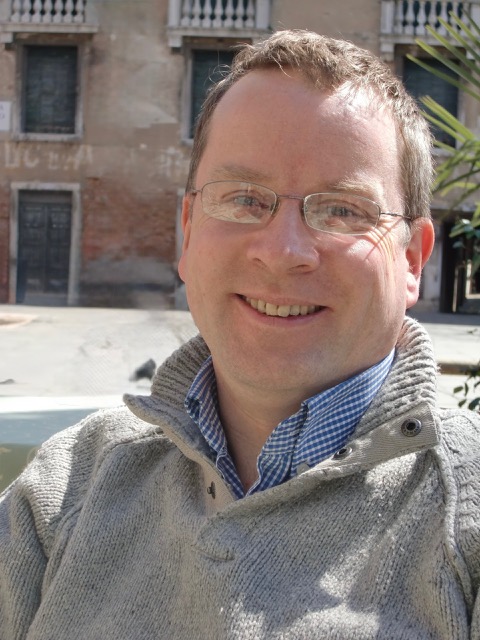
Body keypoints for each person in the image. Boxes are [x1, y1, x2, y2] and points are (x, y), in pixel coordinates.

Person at [1, 30, 479, 640]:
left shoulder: (467, 522)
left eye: (342, 210)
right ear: (189, 230)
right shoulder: (64, 487)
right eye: (245, 199)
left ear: (412, 259)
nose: (282, 252)